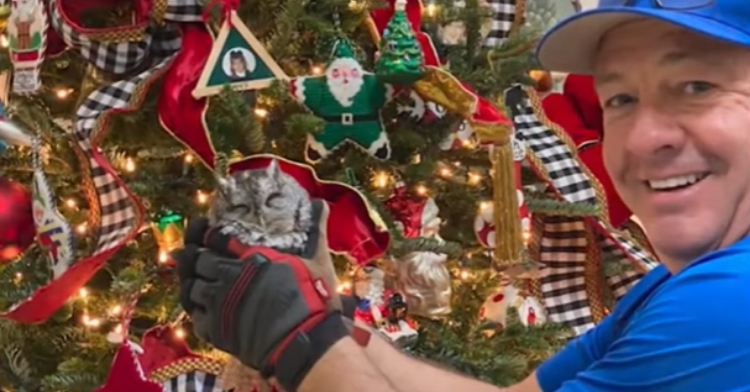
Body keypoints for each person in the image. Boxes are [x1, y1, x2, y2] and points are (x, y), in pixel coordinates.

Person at [173, 1, 750, 391]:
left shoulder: (729, 307)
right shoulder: (684, 287)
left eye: (697, 87)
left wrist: (299, 341)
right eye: (620, 98)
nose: (646, 136)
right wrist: (329, 315)